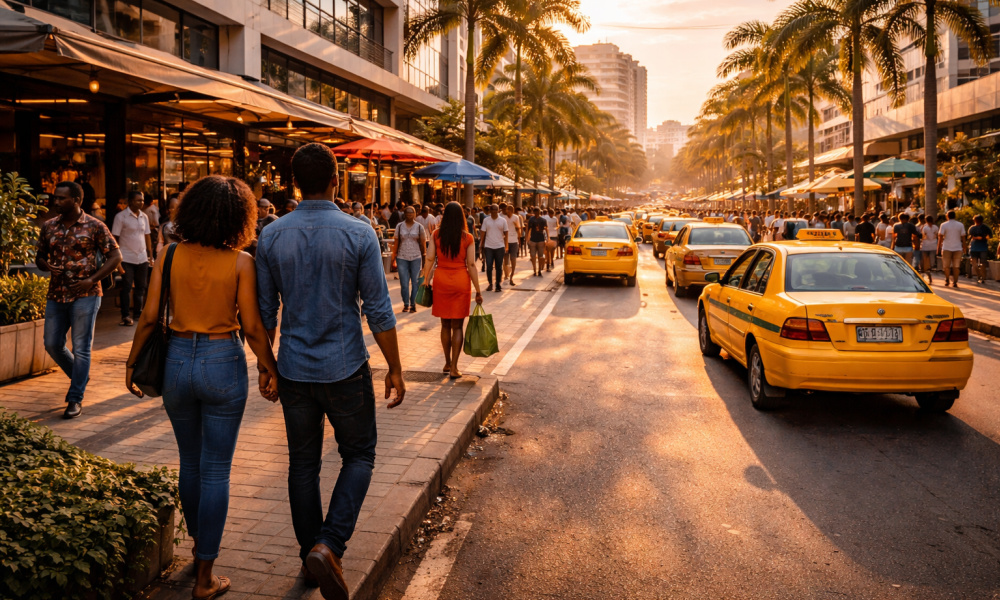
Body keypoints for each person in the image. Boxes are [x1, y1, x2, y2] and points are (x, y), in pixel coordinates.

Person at [256, 143, 405, 599]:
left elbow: (263, 314)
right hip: (345, 366)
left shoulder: (271, 235)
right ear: (336, 179)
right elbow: (379, 310)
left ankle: (311, 555)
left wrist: (267, 367)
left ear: (294, 183)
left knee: (302, 464)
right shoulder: (358, 233)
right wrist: (395, 367)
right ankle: (329, 544)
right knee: (359, 455)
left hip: (295, 369)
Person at [125, 176, 280, 600]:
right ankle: (205, 575)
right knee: (216, 469)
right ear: (240, 217)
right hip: (221, 362)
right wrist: (271, 369)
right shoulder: (241, 262)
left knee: (189, 463)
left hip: (175, 360)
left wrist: (131, 362)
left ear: (191, 210)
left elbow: (148, 316)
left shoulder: (168, 254)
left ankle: (198, 550)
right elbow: (251, 326)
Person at [36, 181, 123, 419]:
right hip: (56, 294)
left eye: (61, 198)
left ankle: (75, 398)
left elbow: (115, 256)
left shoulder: (95, 226)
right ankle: (80, 374)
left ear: (76, 200)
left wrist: (91, 280)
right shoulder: (48, 226)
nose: (56, 202)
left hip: (86, 294)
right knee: (52, 344)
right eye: (55, 197)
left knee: (82, 348)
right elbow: (39, 257)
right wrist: (46, 266)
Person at [422, 202, 484, 379]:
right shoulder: (468, 238)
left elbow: (429, 259)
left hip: (441, 280)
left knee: (444, 324)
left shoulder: (436, 235)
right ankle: (455, 367)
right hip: (460, 281)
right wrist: (478, 290)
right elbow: (471, 264)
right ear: (462, 217)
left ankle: (447, 362)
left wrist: (426, 279)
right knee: (457, 326)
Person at [112, 191, 154, 326]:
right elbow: (115, 239)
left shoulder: (144, 217)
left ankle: (138, 313)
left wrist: (150, 255)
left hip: (142, 257)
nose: (141, 203)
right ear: (130, 202)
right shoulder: (121, 217)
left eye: (142, 200)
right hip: (126, 258)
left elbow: (147, 236)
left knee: (141, 287)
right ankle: (125, 315)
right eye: (137, 200)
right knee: (127, 286)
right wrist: (116, 259)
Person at [392, 206, 426, 313]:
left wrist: (424, 259)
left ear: (415, 214)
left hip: (416, 257)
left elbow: (423, 244)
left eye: (412, 213)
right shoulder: (399, 226)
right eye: (408, 213)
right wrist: (394, 256)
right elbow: (396, 242)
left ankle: (413, 304)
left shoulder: (420, 227)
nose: (410, 214)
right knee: (404, 282)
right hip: (402, 257)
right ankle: (406, 303)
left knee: (415, 282)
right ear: (404, 214)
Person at [479, 204, 508, 292]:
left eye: (495, 209)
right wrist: (481, 244)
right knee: (489, 266)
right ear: (490, 210)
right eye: (492, 209)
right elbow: (483, 232)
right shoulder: (486, 220)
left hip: (500, 246)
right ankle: (490, 284)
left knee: (499, 266)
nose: (494, 211)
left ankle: (498, 284)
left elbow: (506, 233)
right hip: (488, 246)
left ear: (498, 210)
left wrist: (506, 245)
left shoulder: (503, 220)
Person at [938, 210, 967, 288]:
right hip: (958, 248)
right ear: (955, 216)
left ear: (947, 216)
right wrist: (964, 247)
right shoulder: (960, 225)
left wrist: (938, 248)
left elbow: (940, 237)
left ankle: (947, 279)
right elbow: (963, 237)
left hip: (946, 247)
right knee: (956, 266)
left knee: (946, 266)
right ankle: (955, 282)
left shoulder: (943, 225)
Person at [968, 214, 992, 284]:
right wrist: (972, 238)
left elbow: (989, 236)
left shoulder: (986, 228)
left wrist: (982, 238)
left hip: (983, 247)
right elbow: (969, 237)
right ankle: (979, 275)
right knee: (974, 264)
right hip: (974, 248)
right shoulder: (972, 228)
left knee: (983, 263)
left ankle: (983, 278)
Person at [502, 204, 521, 287]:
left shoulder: (516, 217)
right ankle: (506, 274)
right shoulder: (503, 218)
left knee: (513, 259)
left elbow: (519, 228)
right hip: (505, 240)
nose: (508, 212)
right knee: (506, 259)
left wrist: (519, 240)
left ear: (512, 211)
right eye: (507, 210)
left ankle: (511, 277)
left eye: (509, 210)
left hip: (514, 240)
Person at [526, 208, 548, 277]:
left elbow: (546, 229)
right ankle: (535, 270)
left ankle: (539, 270)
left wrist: (547, 239)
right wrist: (527, 238)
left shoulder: (543, 220)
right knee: (533, 256)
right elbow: (528, 229)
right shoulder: (531, 219)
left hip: (541, 239)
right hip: (533, 239)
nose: (536, 213)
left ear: (539, 212)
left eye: (537, 212)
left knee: (540, 256)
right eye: (535, 212)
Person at [920, 214, 939, 284]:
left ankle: (928, 271)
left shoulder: (924, 227)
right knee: (931, 260)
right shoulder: (935, 227)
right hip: (932, 245)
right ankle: (929, 270)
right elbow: (937, 235)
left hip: (926, 246)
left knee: (925, 261)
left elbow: (923, 236)